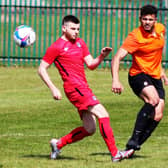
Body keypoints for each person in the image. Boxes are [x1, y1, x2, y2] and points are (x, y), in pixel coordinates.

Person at [38, 15, 134, 162]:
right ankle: (115, 154)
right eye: (73, 29)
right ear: (64, 28)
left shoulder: (80, 43)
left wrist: (102, 56)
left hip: (82, 87)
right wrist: (53, 88)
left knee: (90, 129)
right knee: (103, 114)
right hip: (74, 88)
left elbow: (91, 64)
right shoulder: (56, 47)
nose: (76, 31)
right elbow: (42, 69)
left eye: (78, 29)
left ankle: (58, 144)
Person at [111, 4, 168, 153]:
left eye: (150, 19)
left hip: (155, 76)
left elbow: (157, 53)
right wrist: (116, 80)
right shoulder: (135, 36)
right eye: (144, 19)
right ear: (140, 19)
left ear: (156, 20)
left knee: (158, 114)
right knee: (153, 100)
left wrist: (161, 71)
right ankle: (134, 139)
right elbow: (117, 57)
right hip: (138, 75)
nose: (147, 22)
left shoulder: (161, 29)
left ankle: (131, 150)